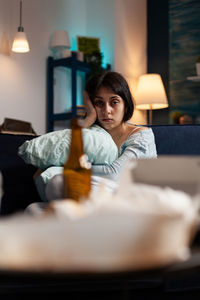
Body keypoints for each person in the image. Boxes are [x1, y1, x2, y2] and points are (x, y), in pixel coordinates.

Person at [43, 70, 157, 202]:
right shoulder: (94, 134)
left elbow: (114, 174)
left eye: (114, 102)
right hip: (96, 194)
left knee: (58, 183)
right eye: (99, 103)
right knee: (32, 208)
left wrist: (70, 168)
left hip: (131, 197)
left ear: (126, 105)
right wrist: (89, 118)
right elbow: (59, 154)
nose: (107, 110)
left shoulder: (142, 136)